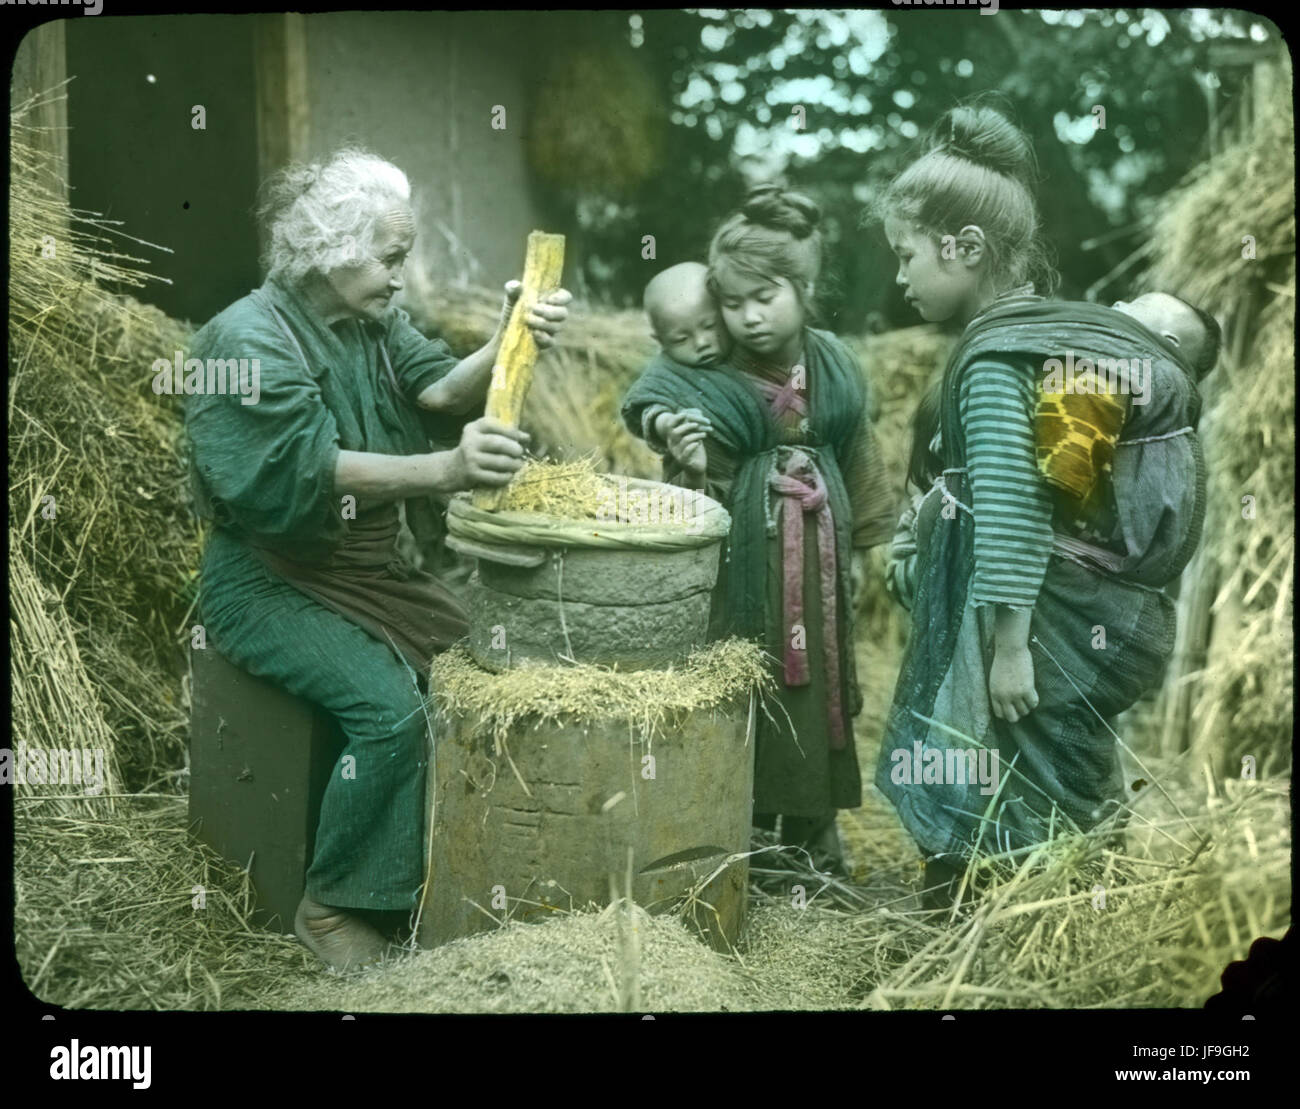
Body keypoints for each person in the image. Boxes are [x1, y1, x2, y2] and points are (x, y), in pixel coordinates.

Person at [185, 148, 571, 969]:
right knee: (389, 710)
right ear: (330, 249)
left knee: (477, 673)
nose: (402, 276)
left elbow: (437, 391)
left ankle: (446, 868)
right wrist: (448, 472)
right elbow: (306, 468)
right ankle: (332, 905)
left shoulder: (369, 322)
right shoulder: (246, 339)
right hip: (270, 578)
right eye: (391, 257)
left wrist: (510, 337)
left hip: (362, 569)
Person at [869, 105, 1214, 910]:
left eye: (906, 254)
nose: (900, 277)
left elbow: (1015, 505)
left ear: (965, 249)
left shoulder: (996, 357)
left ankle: (1006, 916)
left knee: (1005, 758)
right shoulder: (1049, 338)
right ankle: (1064, 906)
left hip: (1045, 617)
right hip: (1102, 610)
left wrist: (1012, 646)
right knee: (1054, 759)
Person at [623, 185, 896, 875]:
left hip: (821, 561)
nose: (746, 318)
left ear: (804, 288)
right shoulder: (705, 370)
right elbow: (659, 409)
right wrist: (675, 443)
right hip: (746, 565)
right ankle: (746, 834)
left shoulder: (832, 361)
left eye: (764, 297)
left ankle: (812, 831)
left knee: (818, 687)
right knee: (749, 680)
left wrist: (872, 543)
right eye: (732, 302)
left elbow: (858, 449)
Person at [638, 261, 731, 477]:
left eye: (709, 326)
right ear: (660, 341)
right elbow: (649, 408)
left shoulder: (745, 353)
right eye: (681, 339)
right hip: (693, 477)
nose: (701, 343)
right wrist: (668, 425)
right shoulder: (667, 371)